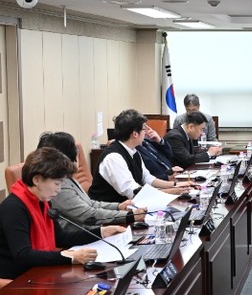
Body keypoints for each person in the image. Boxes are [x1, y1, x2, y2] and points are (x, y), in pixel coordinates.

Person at [0, 148, 126, 279]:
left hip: (39, 272)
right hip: (18, 280)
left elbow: (61, 238)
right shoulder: (14, 208)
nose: (59, 190)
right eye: (57, 183)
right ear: (36, 180)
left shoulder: (43, 202)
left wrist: (101, 232)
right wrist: (70, 257)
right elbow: (23, 255)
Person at [37, 132, 148, 231]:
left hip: (92, 231)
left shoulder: (67, 178)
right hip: (79, 238)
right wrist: (128, 216)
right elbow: (88, 214)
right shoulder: (59, 186)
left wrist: (118, 207)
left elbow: (90, 203)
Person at [89, 109, 191, 203]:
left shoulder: (134, 151)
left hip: (129, 205)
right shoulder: (113, 158)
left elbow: (147, 178)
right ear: (135, 134)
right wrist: (172, 191)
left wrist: (175, 185)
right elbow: (133, 192)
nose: (146, 133)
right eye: (144, 129)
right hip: (110, 210)